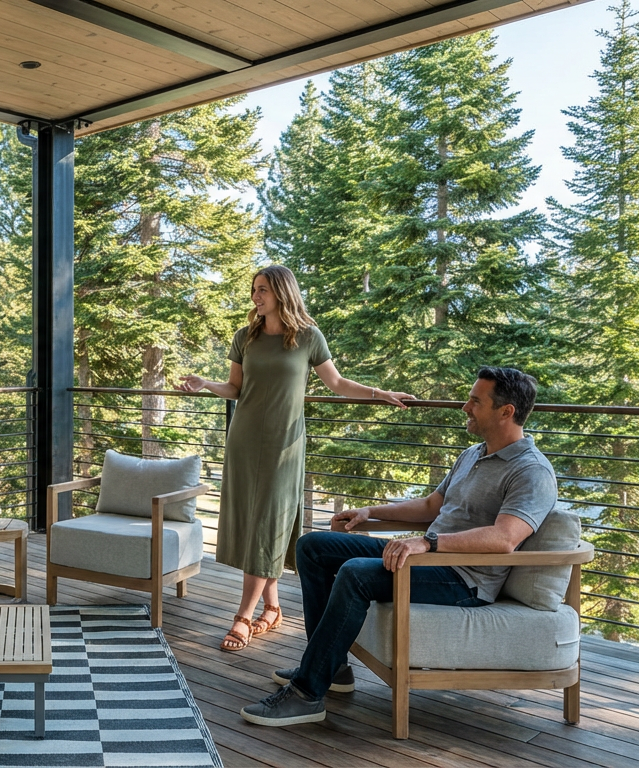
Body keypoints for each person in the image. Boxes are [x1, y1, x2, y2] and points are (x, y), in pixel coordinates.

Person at [243, 367, 559, 727]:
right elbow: (430, 507)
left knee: (355, 574)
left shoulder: (531, 471)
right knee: (312, 546)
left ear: (507, 412)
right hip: (427, 556)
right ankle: (334, 669)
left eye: (475, 400)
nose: (464, 407)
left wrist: (428, 542)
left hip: (464, 579)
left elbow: (505, 538)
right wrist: (370, 511)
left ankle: (306, 694)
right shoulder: (473, 454)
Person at [178, 265, 412, 653]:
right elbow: (235, 388)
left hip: (284, 447)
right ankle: (271, 608)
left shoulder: (307, 337)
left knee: (269, 523)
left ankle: (242, 617)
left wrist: (380, 393)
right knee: (255, 522)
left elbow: (337, 384)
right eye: (254, 289)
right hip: (244, 441)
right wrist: (205, 384)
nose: (256, 296)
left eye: (263, 289)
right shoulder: (245, 337)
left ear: (283, 292)